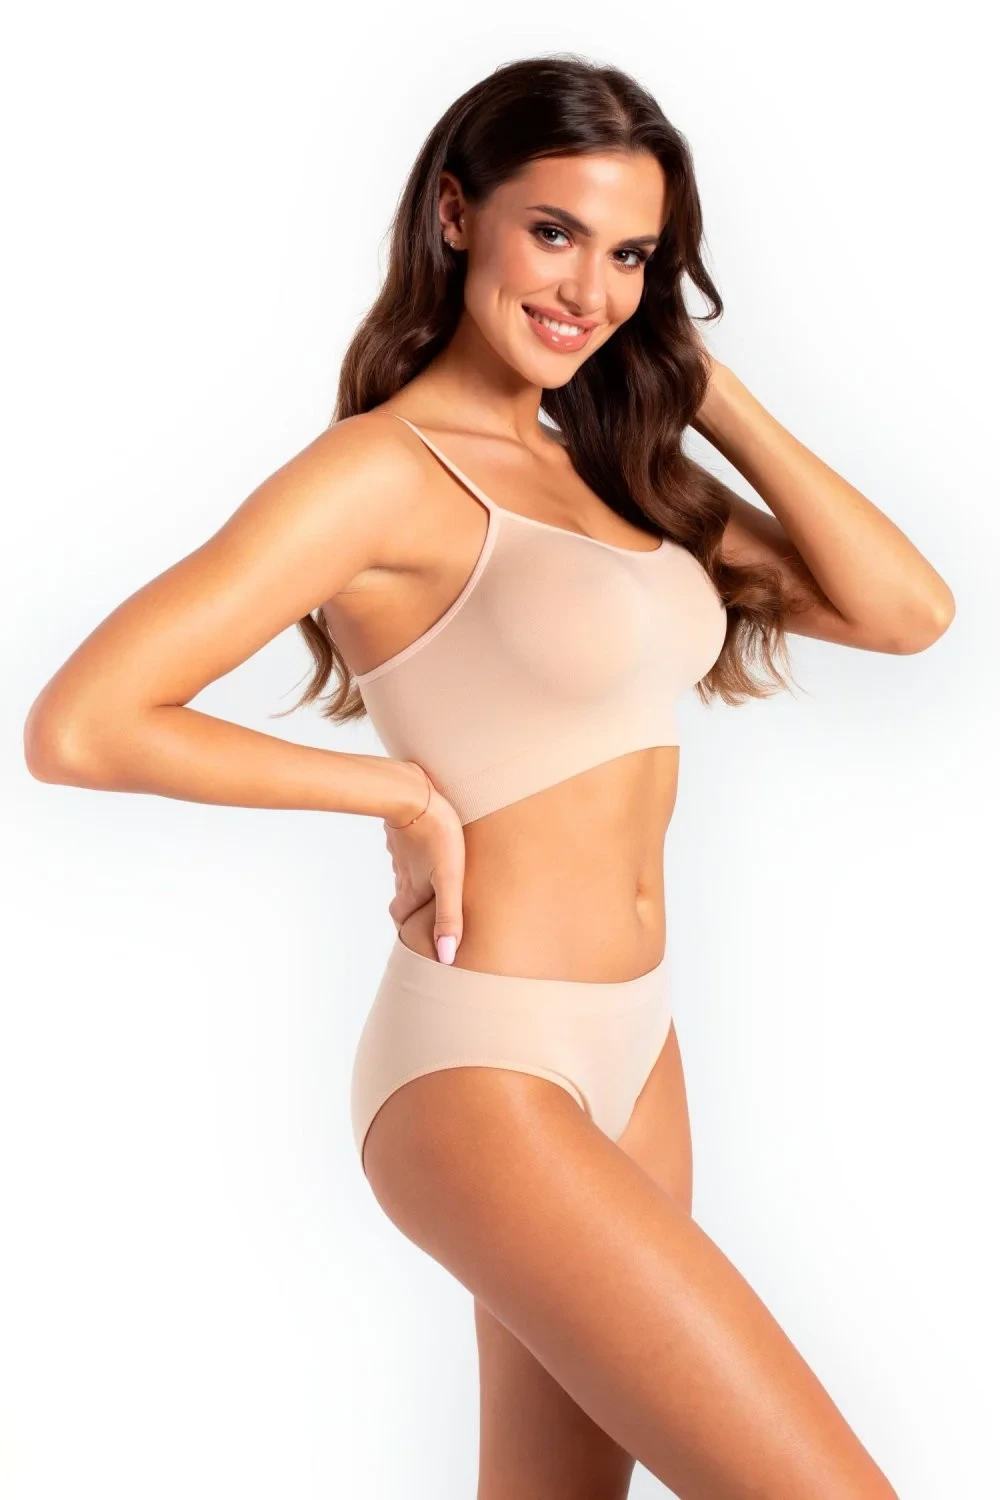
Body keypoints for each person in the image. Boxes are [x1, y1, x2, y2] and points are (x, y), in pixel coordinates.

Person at [24, 53, 952, 1500]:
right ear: (457, 214)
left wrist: (705, 390)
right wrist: (396, 795)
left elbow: (905, 612)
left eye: (632, 254)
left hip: (638, 1049)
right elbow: (82, 724)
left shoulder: (616, 472)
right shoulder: (378, 473)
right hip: (483, 1063)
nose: (589, 287)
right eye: (555, 232)